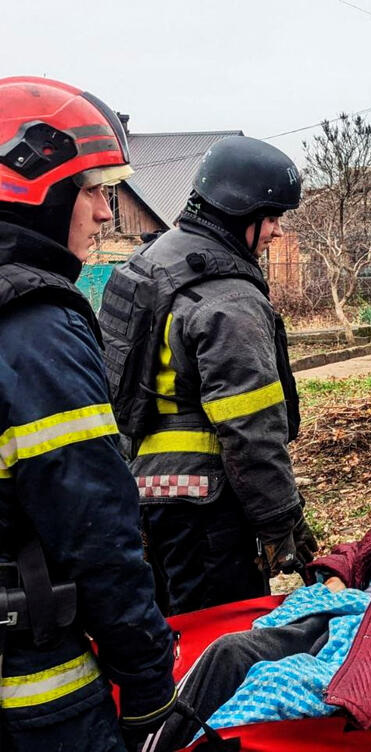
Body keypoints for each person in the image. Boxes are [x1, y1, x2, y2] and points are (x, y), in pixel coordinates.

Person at [0, 76, 175, 751]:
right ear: (35, 189)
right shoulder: (34, 324)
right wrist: (148, 678)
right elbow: (95, 521)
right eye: (96, 190)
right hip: (34, 682)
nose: (107, 213)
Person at [100, 136, 317, 615]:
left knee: (173, 631)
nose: (277, 233)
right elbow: (250, 429)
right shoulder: (229, 299)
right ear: (244, 212)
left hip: (145, 497)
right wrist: (281, 521)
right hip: (209, 508)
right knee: (218, 638)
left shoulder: (151, 261)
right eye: (273, 217)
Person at [144, 494, 371, 752]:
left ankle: (207, 744)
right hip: (331, 609)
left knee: (277, 682)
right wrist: (336, 575)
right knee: (228, 648)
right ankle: (159, 743)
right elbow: (355, 551)